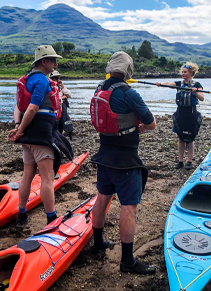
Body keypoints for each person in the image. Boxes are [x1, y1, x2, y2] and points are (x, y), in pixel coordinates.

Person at [90, 51, 157, 275]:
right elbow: (152, 123)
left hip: (104, 155)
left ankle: (97, 242)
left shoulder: (99, 89)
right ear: (128, 70)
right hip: (126, 160)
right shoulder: (130, 93)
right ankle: (127, 261)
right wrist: (142, 127)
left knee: (102, 198)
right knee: (128, 207)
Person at [8, 45, 72, 226]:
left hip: (28, 136)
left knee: (27, 175)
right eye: (52, 60)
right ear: (43, 61)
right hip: (40, 134)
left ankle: (22, 214)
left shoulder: (26, 79)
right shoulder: (42, 80)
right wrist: (19, 130)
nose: (55, 63)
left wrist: (19, 126)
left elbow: (19, 108)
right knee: (47, 177)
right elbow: (33, 107)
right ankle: (51, 217)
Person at [155, 62, 204, 170]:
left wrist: (195, 92)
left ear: (191, 73)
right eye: (182, 72)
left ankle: (189, 162)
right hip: (181, 112)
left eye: (185, 72)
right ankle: (180, 161)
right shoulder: (179, 83)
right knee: (181, 138)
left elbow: (201, 98)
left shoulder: (197, 84)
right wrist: (161, 84)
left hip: (191, 113)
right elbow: (169, 83)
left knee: (190, 139)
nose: (183, 74)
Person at [50, 70, 74, 138]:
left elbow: (69, 95)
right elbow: (53, 98)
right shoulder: (49, 87)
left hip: (61, 110)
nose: (57, 80)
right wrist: (62, 97)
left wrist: (63, 86)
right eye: (55, 78)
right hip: (53, 110)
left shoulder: (61, 87)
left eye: (58, 78)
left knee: (60, 125)